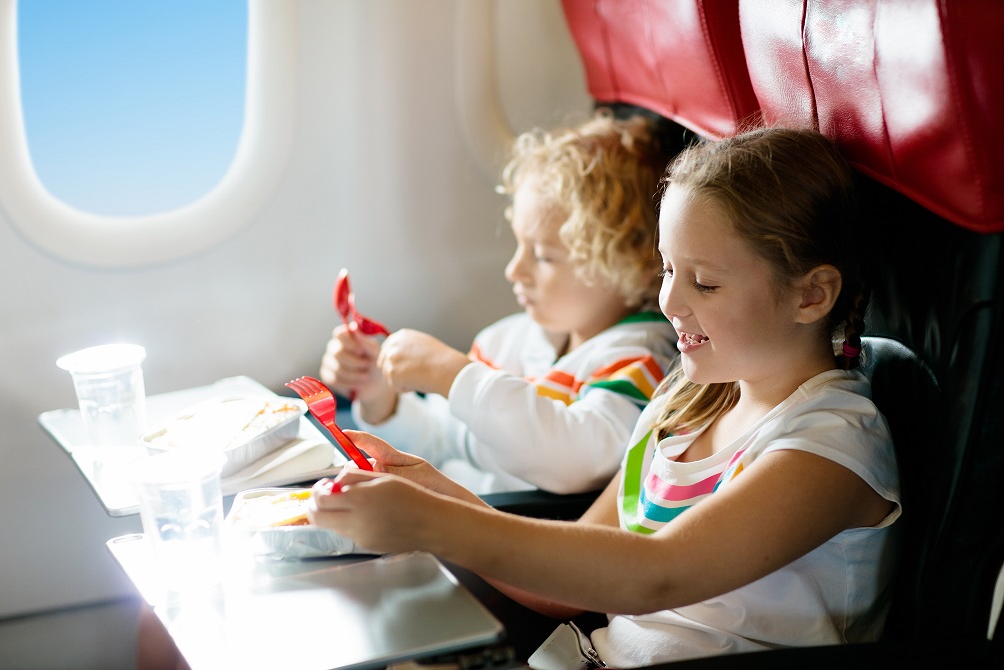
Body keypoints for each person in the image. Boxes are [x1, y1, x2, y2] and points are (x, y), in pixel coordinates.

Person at [309, 127, 902, 666]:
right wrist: (427, 488)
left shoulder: (830, 444)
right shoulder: (687, 406)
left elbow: (655, 576)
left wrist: (434, 523)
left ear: (811, 296)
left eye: (705, 281)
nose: (669, 302)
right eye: (668, 270)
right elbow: (564, 584)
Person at [320, 110, 681, 494]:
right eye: (519, 245)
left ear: (634, 264)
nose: (514, 270)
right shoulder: (511, 341)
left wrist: (453, 375)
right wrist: (380, 395)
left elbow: (576, 462)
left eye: (542, 256)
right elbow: (442, 443)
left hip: (511, 530)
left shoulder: (641, 360)